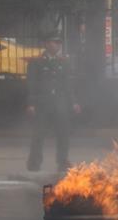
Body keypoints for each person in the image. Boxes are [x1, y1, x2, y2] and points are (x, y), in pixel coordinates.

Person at [26, 33, 81, 172]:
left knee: (63, 133)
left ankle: (62, 161)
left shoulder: (64, 62)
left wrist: (73, 102)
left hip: (60, 103)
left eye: (57, 42)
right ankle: (34, 163)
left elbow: (68, 84)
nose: (54, 45)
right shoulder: (37, 61)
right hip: (42, 103)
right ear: (45, 44)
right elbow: (31, 84)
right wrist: (31, 103)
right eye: (51, 42)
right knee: (38, 134)